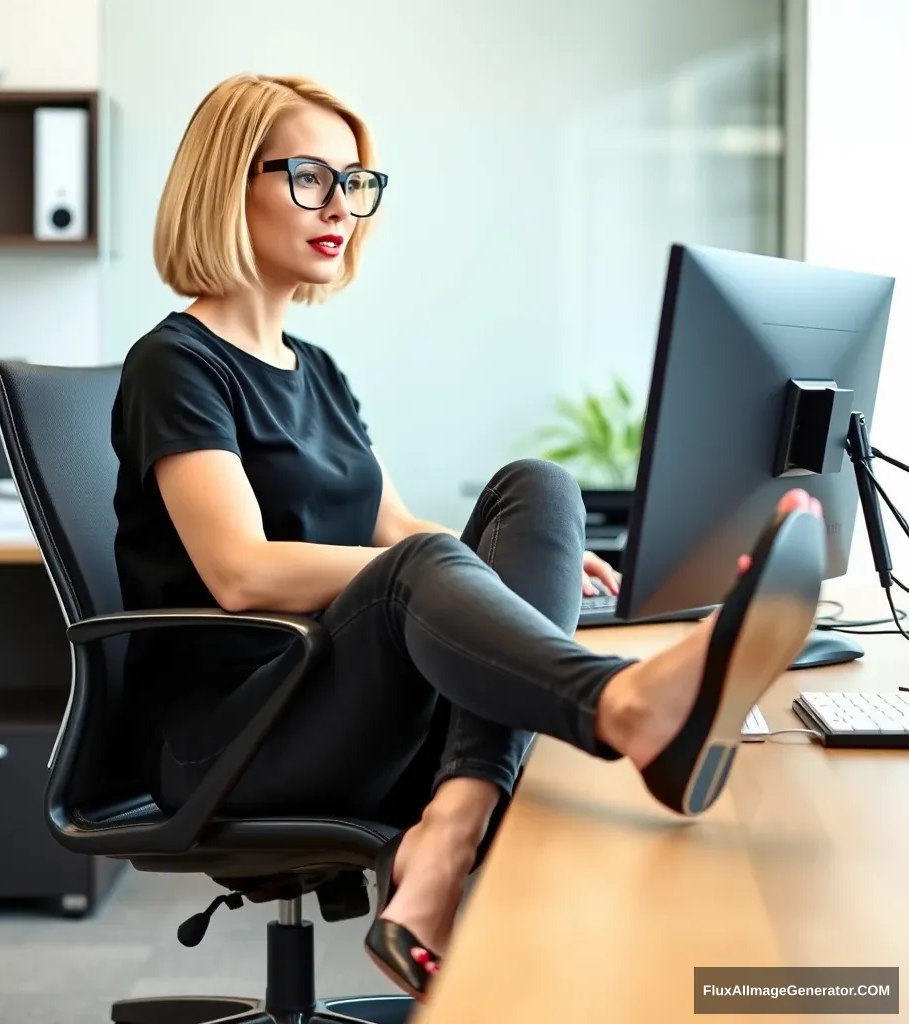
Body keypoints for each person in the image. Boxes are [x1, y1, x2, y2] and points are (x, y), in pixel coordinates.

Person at [110, 73, 825, 1000]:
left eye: (356, 183)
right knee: (419, 570)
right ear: (225, 184)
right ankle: (619, 707)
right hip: (229, 742)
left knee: (540, 486)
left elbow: (400, 526)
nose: (342, 208)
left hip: (335, 706)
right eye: (310, 178)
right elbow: (241, 572)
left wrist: (530, 573)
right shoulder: (175, 363)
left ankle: (451, 829)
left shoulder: (315, 368)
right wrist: (440, 578)